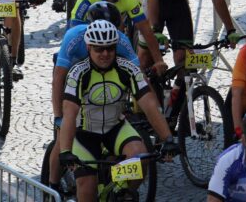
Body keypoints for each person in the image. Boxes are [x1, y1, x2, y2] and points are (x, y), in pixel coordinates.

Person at [58, 20, 177, 202]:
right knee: (87, 187)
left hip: (115, 127)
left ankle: (120, 193)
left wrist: (168, 138)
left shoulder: (127, 69)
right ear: (89, 48)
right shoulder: (78, 73)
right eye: (99, 49)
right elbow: (69, 113)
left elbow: (149, 105)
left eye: (110, 48)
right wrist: (65, 151)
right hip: (84, 133)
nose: (105, 54)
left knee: (140, 157)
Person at [48, 7, 141, 192]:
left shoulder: (121, 40)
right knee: (63, 134)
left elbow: (137, 75)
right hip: (74, 77)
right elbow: (59, 77)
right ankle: (52, 184)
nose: (106, 45)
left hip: (106, 82)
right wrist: (59, 116)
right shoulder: (74, 36)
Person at [70, 0, 166, 76]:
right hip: (88, 42)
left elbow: (146, 29)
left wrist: (159, 60)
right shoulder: (86, 0)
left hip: (114, 41)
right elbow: (74, 34)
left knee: (138, 72)